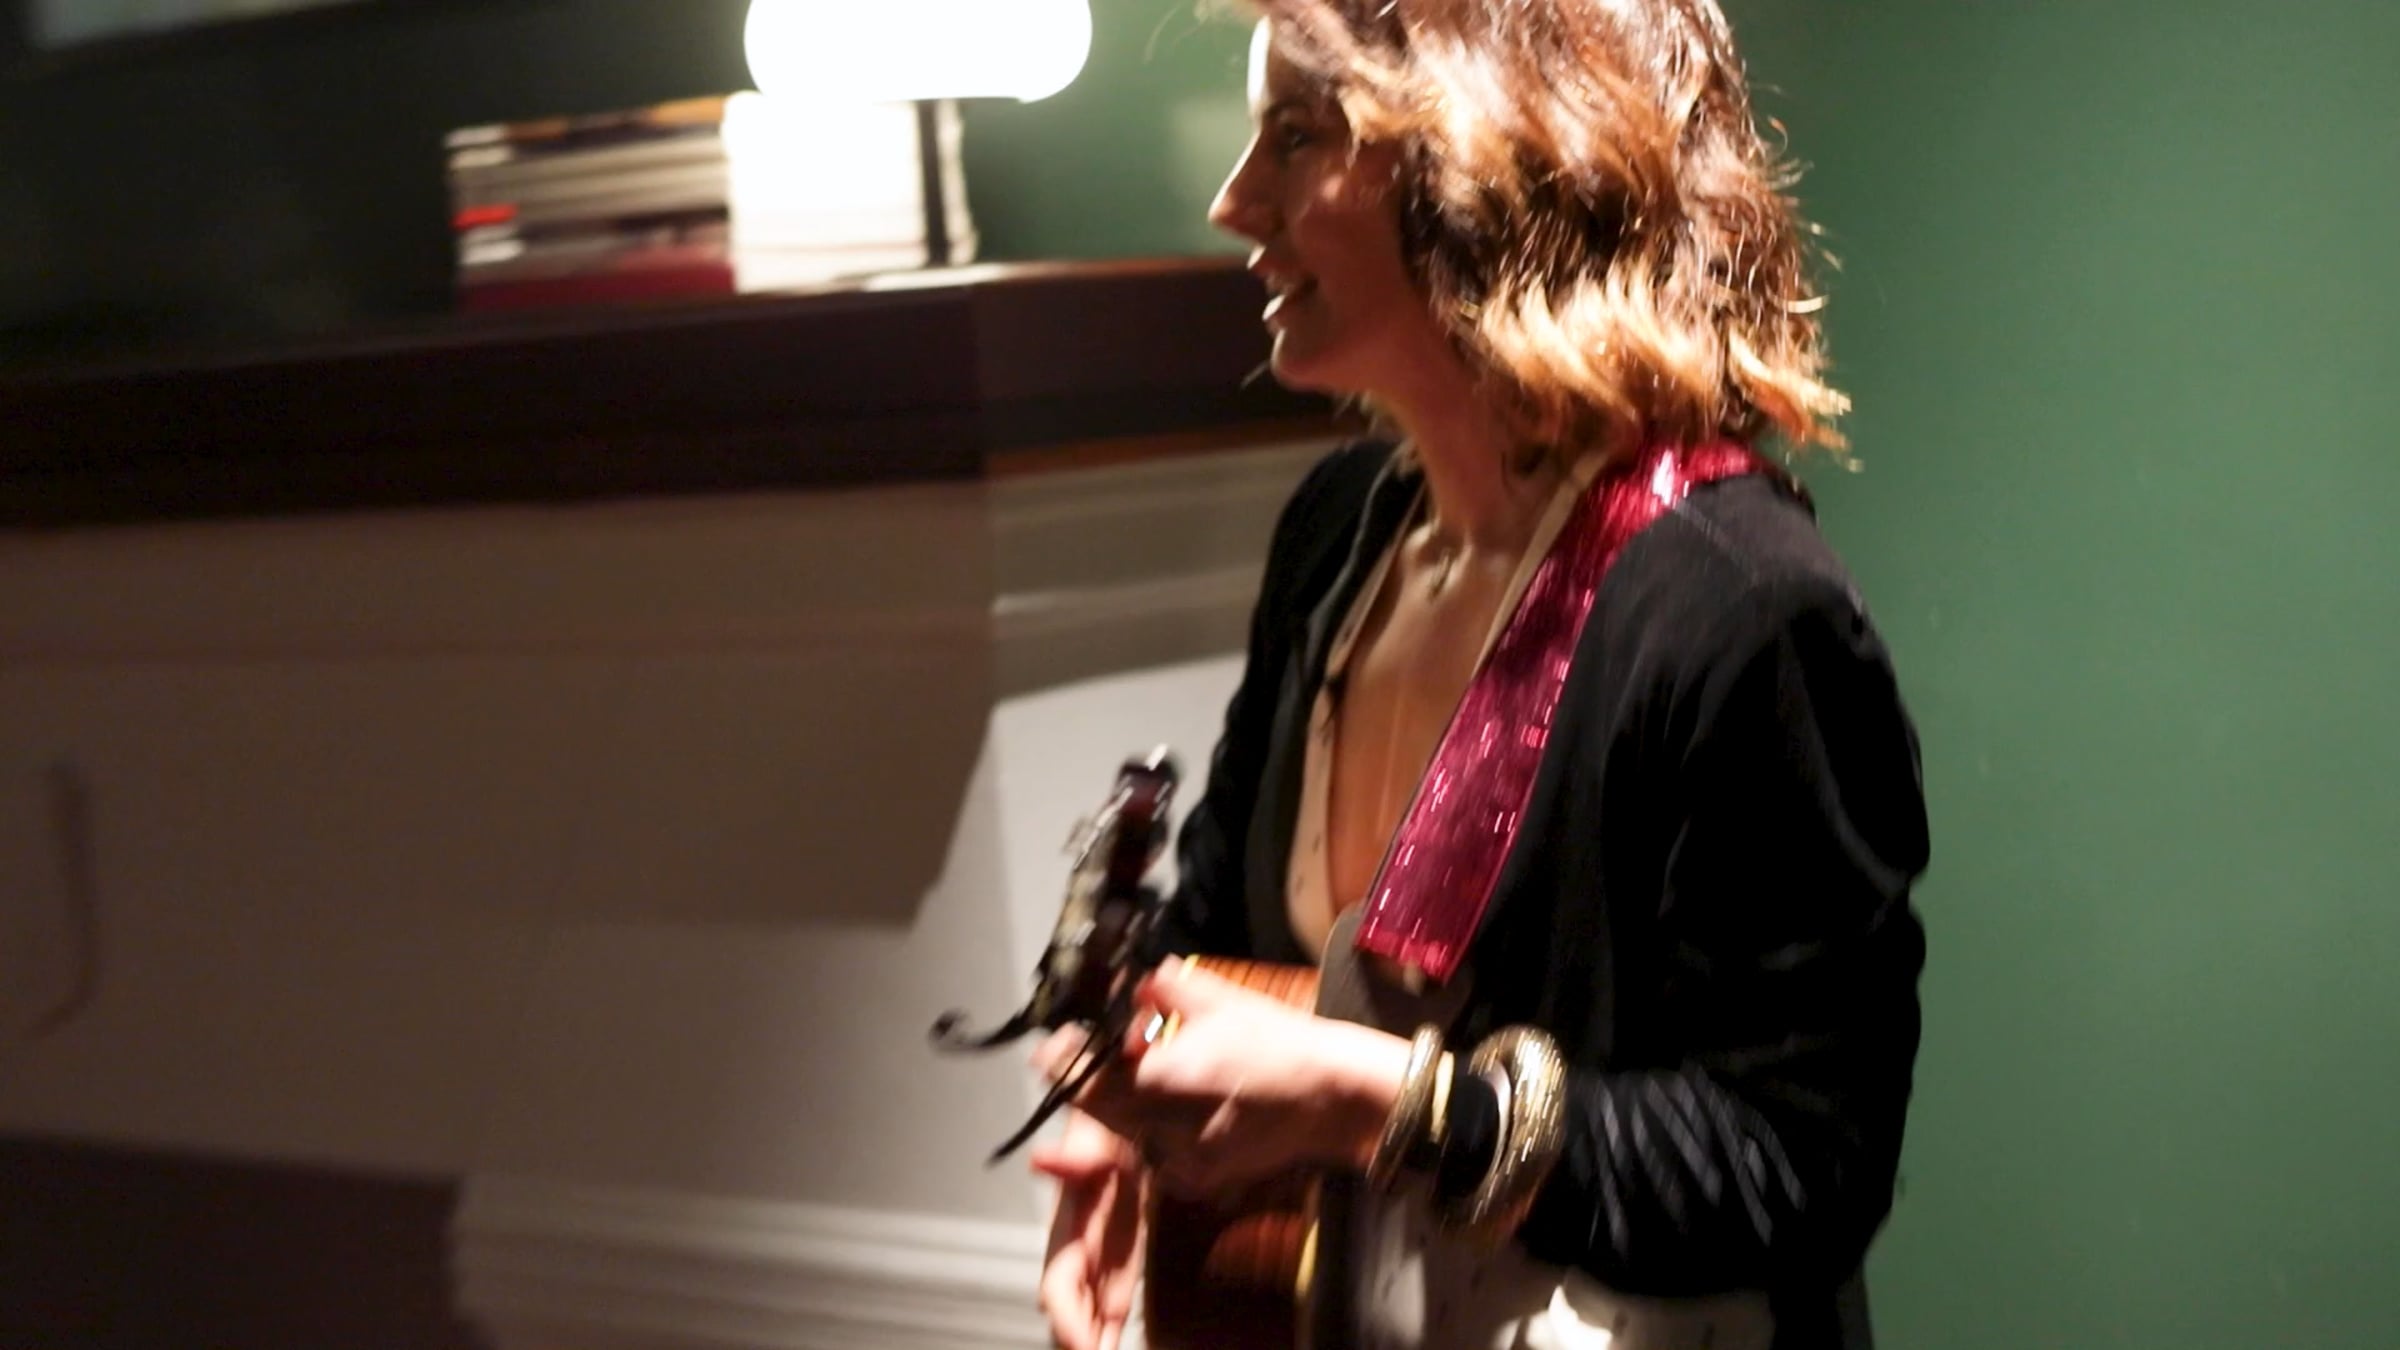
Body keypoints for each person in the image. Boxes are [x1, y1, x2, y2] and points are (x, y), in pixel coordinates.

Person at [1030, 2, 1930, 1348]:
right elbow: (1220, 931)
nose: (1232, 202)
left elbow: (1801, 1165)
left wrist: (1389, 1103)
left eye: (1296, 135)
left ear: (1494, 154)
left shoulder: (1744, 610)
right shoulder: (1337, 538)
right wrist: (1124, 1115)